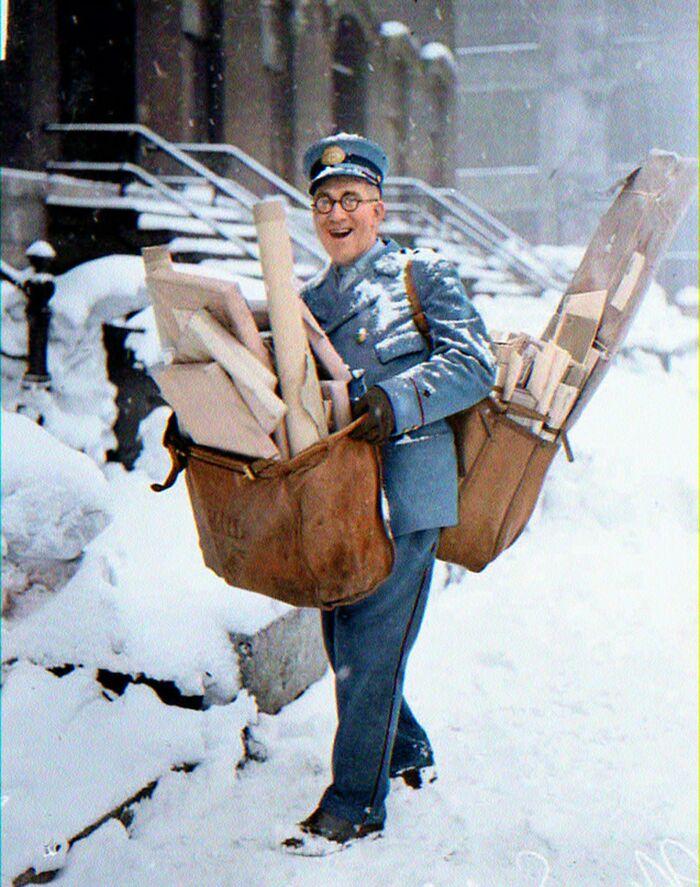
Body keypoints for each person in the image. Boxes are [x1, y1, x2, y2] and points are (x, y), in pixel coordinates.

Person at [283, 134, 496, 852]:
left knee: (370, 648)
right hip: (338, 501)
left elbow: (475, 363)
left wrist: (396, 399)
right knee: (343, 641)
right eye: (323, 202)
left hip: (406, 491)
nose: (336, 214)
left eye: (351, 199)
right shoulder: (307, 303)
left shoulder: (420, 275)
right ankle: (405, 747)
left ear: (378, 208)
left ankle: (354, 805)